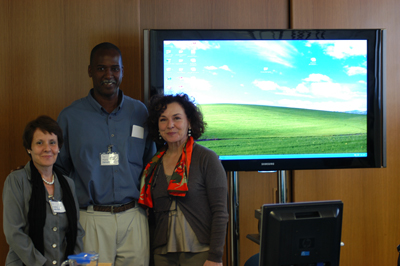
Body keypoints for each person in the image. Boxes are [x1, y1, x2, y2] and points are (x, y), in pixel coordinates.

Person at [56, 42, 156, 266]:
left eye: (115, 68)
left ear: (122, 70)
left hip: (134, 217)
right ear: (90, 71)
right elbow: (59, 170)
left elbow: (150, 163)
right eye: (101, 68)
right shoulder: (70, 117)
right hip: (91, 219)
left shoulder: (140, 112)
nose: (108, 75)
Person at [139, 94, 229, 266]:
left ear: (189, 122)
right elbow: (151, 216)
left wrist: (215, 256)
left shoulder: (206, 158)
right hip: (162, 253)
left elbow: (220, 212)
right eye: (163, 120)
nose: (170, 125)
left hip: (200, 252)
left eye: (177, 118)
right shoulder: (153, 163)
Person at [2, 115, 84, 266]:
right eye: (39, 143)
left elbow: (77, 230)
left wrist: (75, 262)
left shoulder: (68, 184)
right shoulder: (16, 181)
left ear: (59, 147)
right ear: (29, 148)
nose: (47, 149)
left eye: (52, 143)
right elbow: (14, 233)